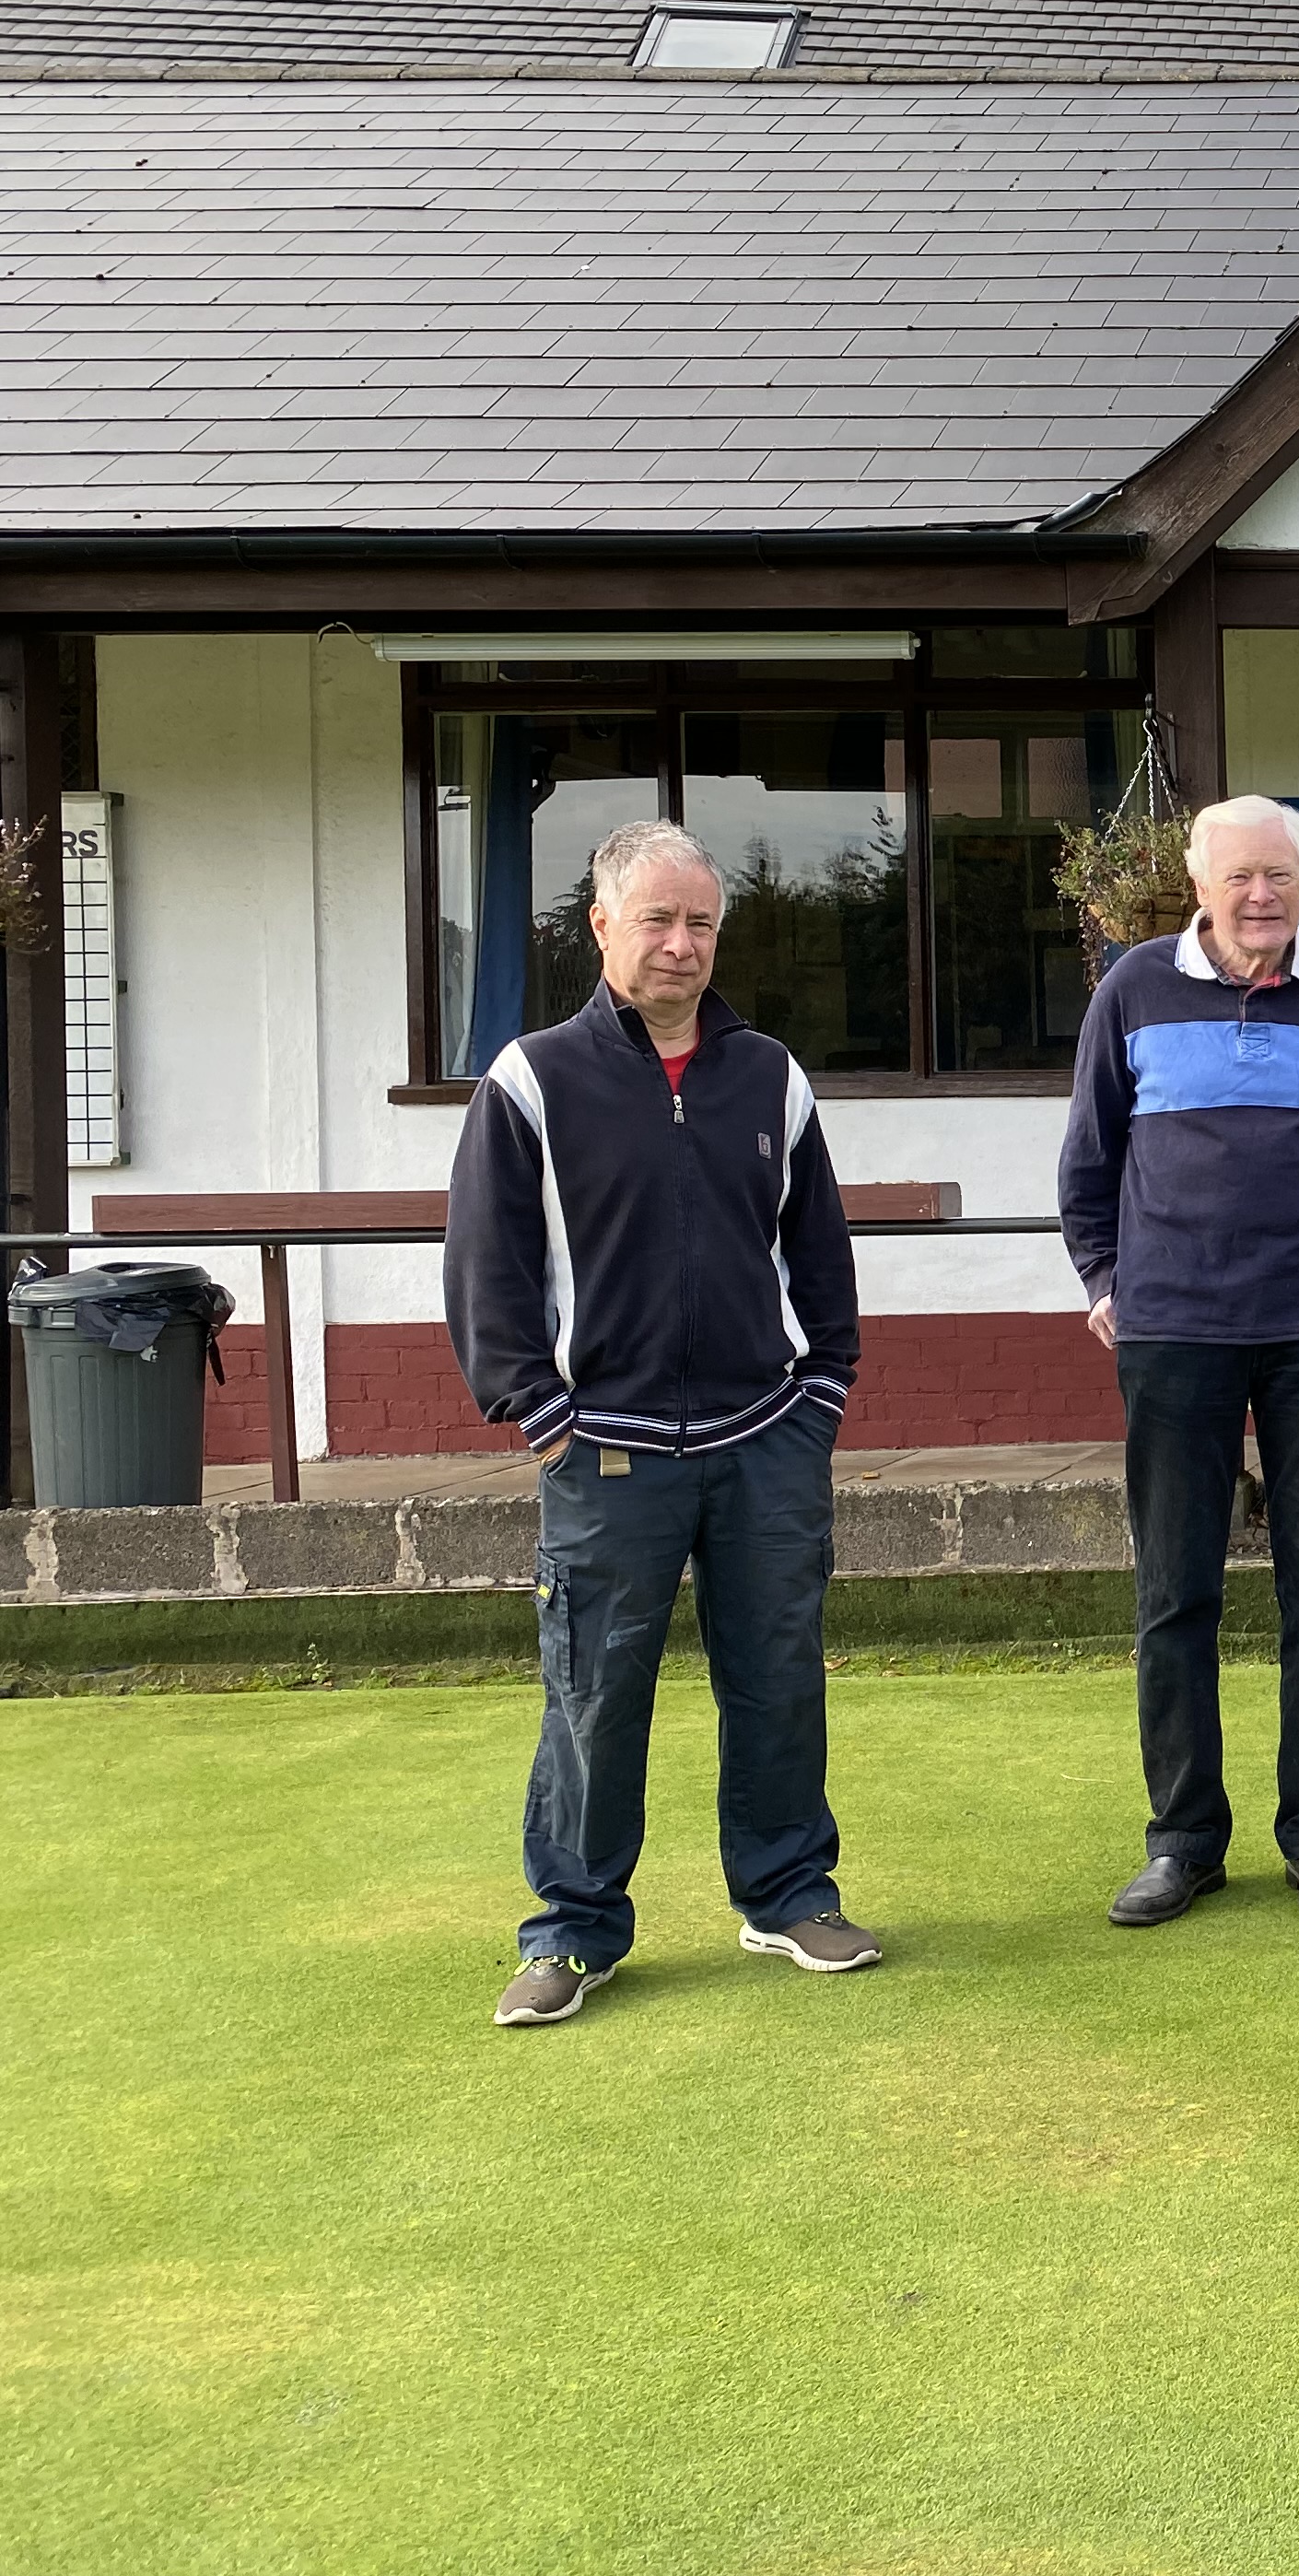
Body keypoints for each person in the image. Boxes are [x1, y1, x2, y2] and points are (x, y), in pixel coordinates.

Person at [449, 819, 872, 2027]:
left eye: (700, 924)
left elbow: (820, 1257)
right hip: (606, 1452)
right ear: (601, 925)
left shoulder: (770, 1079)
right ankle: (573, 1929)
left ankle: (789, 1894)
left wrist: (820, 1395)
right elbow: (488, 1270)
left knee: (780, 1676)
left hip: (763, 1443)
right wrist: (540, 1414)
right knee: (593, 1689)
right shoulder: (533, 1081)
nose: (682, 945)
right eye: (657, 921)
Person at [1060, 794, 1299, 1928]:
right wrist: (1110, 1283)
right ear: (1199, 887)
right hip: (1173, 1330)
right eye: (1238, 878)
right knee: (1176, 1594)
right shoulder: (1133, 992)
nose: (1260, 896)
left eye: (1280, 876)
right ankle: (1183, 1843)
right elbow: (1090, 1157)